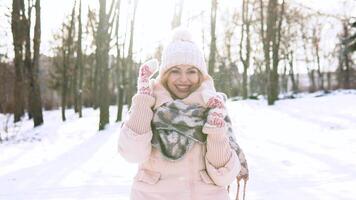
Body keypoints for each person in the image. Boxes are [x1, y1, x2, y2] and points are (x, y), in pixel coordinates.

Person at [118, 27, 248, 200]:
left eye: (191, 71)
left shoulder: (214, 107)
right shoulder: (148, 103)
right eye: (175, 71)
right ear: (164, 74)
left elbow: (223, 176)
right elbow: (132, 154)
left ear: (201, 75)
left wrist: (216, 130)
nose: (183, 79)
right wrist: (143, 100)